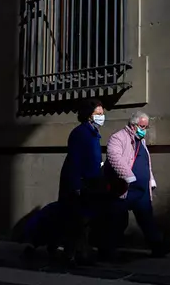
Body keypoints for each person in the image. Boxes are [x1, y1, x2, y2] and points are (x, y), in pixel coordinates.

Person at [103, 111, 170, 259]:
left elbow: (146, 163)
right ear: (133, 126)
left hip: (142, 191)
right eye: (142, 126)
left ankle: (158, 247)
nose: (144, 130)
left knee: (147, 219)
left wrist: (150, 180)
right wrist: (129, 177)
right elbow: (114, 157)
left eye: (146, 127)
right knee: (117, 221)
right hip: (125, 188)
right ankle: (108, 251)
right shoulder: (118, 137)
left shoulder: (141, 142)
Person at [58, 98, 106, 264]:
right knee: (77, 220)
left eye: (102, 113)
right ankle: (72, 254)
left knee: (86, 220)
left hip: (91, 182)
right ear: (89, 115)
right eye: (98, 113)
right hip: (81, 183)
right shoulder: (80, 133)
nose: (101, 116)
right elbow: (75, 160)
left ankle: (82, 251)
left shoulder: (93, 133)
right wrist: (76, 185)